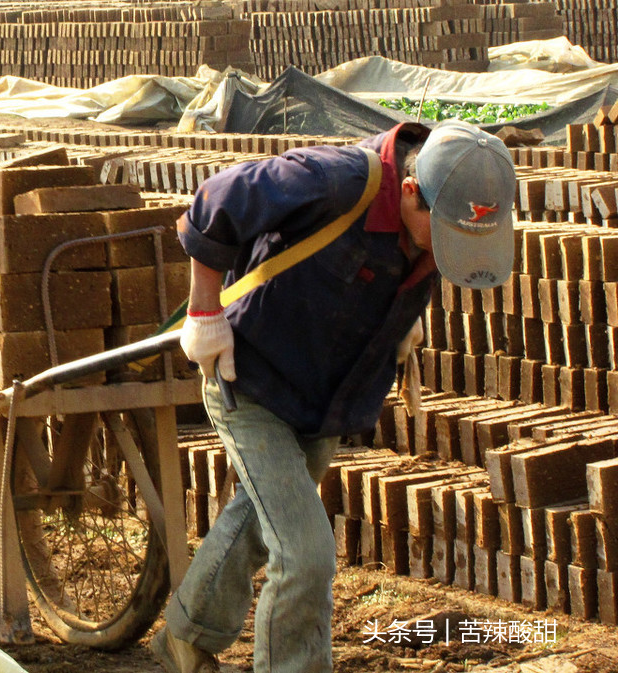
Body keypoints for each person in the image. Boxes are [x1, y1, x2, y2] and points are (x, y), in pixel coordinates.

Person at [155, 119, 517, 673]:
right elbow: (215, 202)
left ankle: (185, 634)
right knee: (306, 555)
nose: (449, 246)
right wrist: (204, 308)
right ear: (411, 190)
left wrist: (403, 321)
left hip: (327, 396)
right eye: (442, 230)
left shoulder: (438, 213)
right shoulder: (334, 180)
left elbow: (416, 264)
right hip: (250, 379)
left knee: (258, 521)